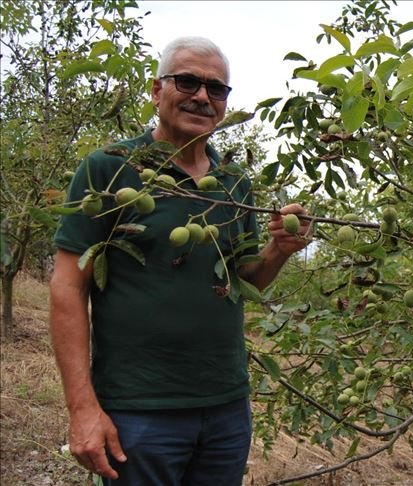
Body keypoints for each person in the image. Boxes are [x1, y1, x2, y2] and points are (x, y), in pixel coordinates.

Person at [49, 36, 311, 485]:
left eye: (216, 89)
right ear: (157, 90)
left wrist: (277, 251)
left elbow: (244, 280)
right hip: (139, 410)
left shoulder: (233, 184)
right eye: (187, 81)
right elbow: (67, 288)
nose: (202, 97)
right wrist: (82, 408)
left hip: (226, 408)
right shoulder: (110, 169)